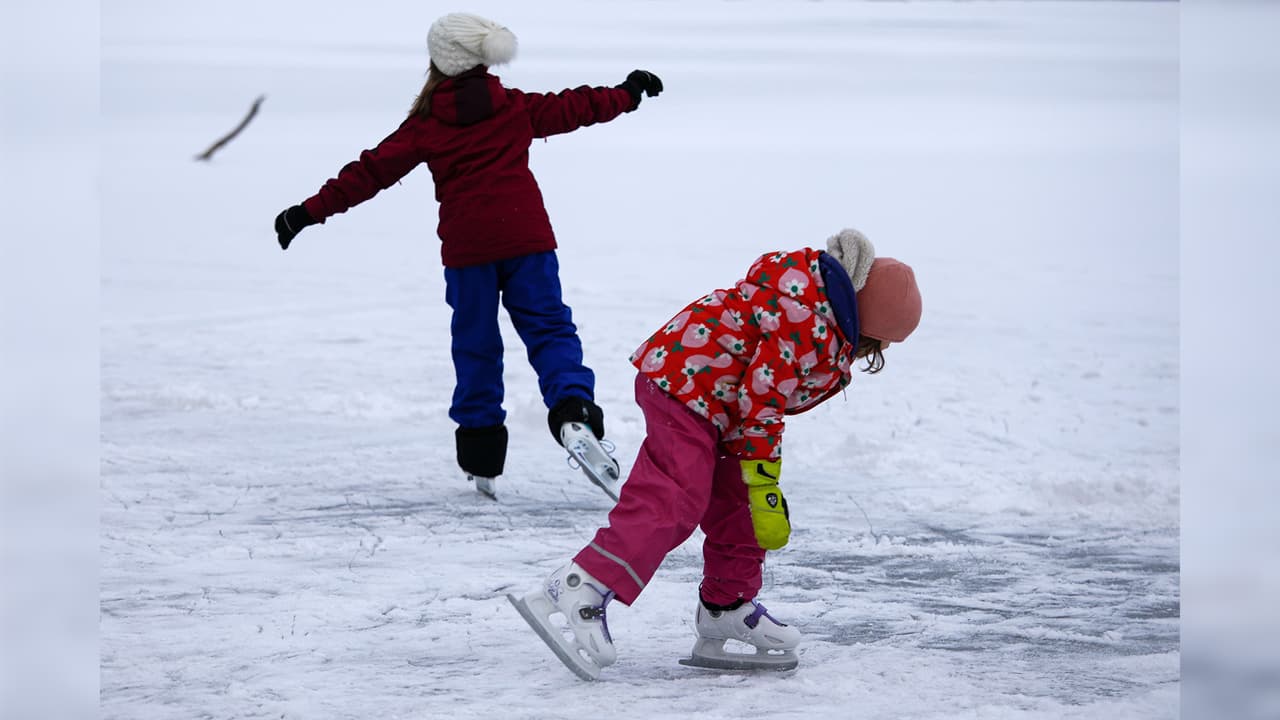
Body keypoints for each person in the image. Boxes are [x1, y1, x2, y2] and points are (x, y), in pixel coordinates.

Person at [272, 13, 664, 500]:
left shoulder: (425, 125)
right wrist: (628, 93)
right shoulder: (512, 106)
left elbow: (368, 172)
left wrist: (306, 213)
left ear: (439, 60)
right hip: (528, 241)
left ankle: (482, 457)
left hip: (468, 252)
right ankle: (574, 414)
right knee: (550, 329)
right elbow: (575, 107)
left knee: (476, 347)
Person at [507, 229, 923, 679]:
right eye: (876, 347)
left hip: (725, 407)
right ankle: (580, 586)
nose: (868, 356)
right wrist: (764, 473)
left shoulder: (820, 313)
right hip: (685, 386)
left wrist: (755, 482)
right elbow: (763, 399)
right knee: (675, 497)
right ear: (868, 330)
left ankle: (725, 607)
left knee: (742, 504)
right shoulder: (810, 324)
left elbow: (757, 398)